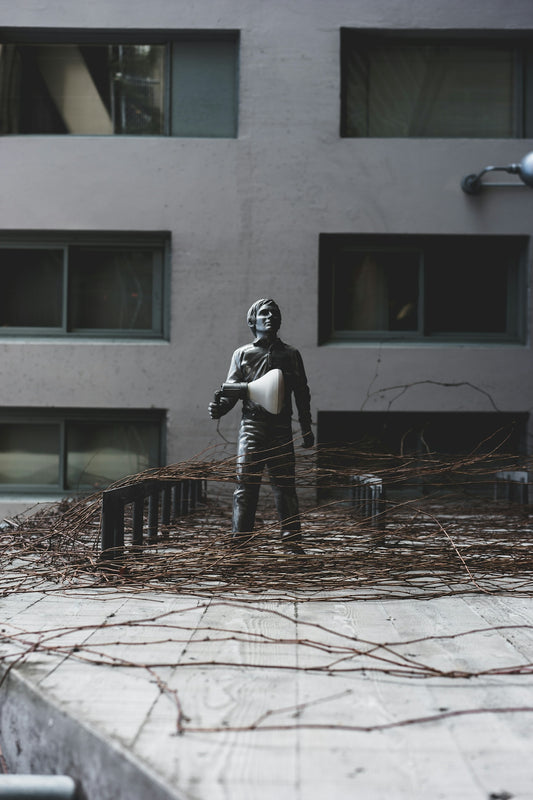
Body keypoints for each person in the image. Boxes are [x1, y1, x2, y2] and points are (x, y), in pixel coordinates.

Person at [208, 299, 314, 553]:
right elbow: (231, 391)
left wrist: (306, 427)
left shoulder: (291, 355)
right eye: (264, 313)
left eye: (274, 313)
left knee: (285, 484)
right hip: (252, 427)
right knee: (245, 485)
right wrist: (219, 408)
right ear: (252, 320)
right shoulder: (242, 354)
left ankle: (291, 541)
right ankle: (240, 540)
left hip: (280, 428)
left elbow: (302, 393)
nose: (270, 317)